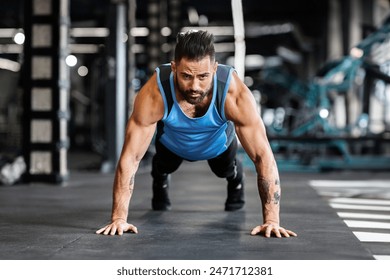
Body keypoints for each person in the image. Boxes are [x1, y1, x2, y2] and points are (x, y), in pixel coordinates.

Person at [96, 30, 297, 238]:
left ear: (215, 68)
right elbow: (131, 157)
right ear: (174, 68)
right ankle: (161, 180)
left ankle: (235, 181)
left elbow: (262, 156)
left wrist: (272, 220)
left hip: (217, 144)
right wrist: (119, 218)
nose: (194, 86)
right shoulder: (155, 92)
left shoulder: (233, 93)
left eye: (203, 77)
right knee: (163, 165)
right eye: (186, 76)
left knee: (225, 169)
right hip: (172, 142)